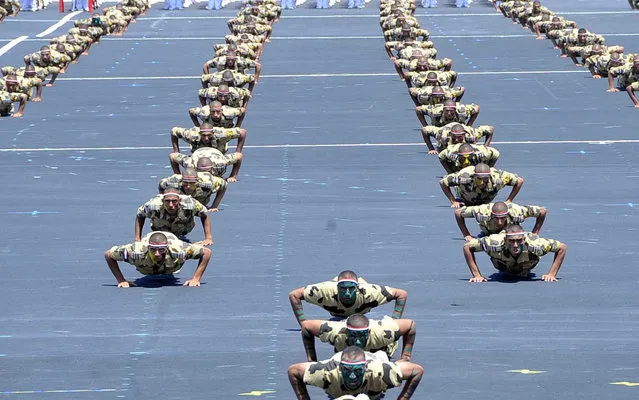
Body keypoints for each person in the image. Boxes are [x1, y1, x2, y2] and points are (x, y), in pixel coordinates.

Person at [288, 346, 423, 400]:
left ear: (365, 368)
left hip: (375, 358)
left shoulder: (382, 372)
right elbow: (293, 371)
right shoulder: (325, 373)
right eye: (347, 371)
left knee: (383, 353)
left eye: (357, 371)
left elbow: (417, 371)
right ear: (340, 369)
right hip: (338, 357)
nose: (352, 376)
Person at [288, 270, 408, 327]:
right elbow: (294, 295)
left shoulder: (370, 292)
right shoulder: (324, 291)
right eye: (343, 289)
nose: (347, 293)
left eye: (351, 289)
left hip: (361, 313)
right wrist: (303, 323)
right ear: (337, 287)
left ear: (357, 288)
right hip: (337, 315)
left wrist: (394, 322)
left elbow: (401, 294)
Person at [463, 224, 567, 282]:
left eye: (519, 240)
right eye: (511, 241)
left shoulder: (537, 244)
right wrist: (476, 275)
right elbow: (467, 247)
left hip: (526, 265)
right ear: (505, 239)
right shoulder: (493, 242)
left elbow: (562, 247)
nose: (516, 245)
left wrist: (551, 274)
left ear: (524, 238)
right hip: (503, 266)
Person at [105, 231, 212, 287]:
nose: (157, 253)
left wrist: (196, 279)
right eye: (153, 250)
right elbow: (108, 255)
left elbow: (207, 252)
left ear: (166, 248)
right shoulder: (135, 252)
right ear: (148, 248)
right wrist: (121, 280)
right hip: (147, 267)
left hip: (171, 253)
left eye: (161, 250)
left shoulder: (180, 250)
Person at [300, 313, 416, 361]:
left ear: (369, 332)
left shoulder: (383, 333)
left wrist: (405, 358)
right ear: (346, 332)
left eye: (361, 335)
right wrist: (312, 360)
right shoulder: (334, 332)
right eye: (353, 336)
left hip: (380, 350)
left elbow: (411, 325)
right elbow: (306, 326)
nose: (358, 340)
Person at [135, 188, 213, 245]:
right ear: (163, 201)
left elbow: (204, 214)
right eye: (167, 201)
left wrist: (208, 238)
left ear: (179, 200)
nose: (171, 205)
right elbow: (140, 215)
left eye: (174, 201)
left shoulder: (190, 204)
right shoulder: (153, 205)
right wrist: (137, 239)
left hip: (182, 230)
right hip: (160, 231)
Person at [439, 163, 523, 208]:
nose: (482, 182)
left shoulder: (498, 177)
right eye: (479, 178)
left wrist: (509, 200)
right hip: (465, 198)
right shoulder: (464, 177)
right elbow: (443, 182)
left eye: (485, 179)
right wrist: (453, 201)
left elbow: (519, 181)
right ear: (474, 176)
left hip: (485, 201)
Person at [454, 201, 546, 241]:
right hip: (488, 234)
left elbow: (542, 211)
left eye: (503, 218)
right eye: (496, 218)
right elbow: (458, 212)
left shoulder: (517, 211)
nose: (500, 222)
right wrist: (466, 235)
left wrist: (535, 232)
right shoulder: (481, 211)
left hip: (510, 234)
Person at [158, 167, 227, 212]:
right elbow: (161, 184)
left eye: (192, 183)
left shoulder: (208, 183)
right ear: (182, 180)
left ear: (197, 181)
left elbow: (224, 185)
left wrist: (214, 206)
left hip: (201, 202)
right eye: (185, 183)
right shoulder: (173, 181)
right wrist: (164, 200)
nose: (188, 186)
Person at [422, 123, 493, 154]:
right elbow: (424, 130)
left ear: (464, 135)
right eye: (454, 137)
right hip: (446, 128)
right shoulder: (442, 136)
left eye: (459, 137)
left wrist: (485, 147)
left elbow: (491, 129)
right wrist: (431, 148)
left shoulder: (472, 135)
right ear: (450, 134)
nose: (456, 139)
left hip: (463, 128)